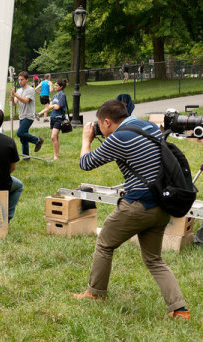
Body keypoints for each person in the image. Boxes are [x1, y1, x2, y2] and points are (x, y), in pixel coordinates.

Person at [73, 100, 190, 321]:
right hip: (162, 204)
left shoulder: (119, 137)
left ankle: (94, 293)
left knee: (105, 243)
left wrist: (86, 139)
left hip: (139, 204)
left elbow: (86, 163)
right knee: (154, 259)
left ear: (107, 121)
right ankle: (179, 309)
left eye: (100, 125)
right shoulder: (147, 126)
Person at [10, 71, 44, 157]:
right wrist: (12, 100)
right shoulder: (18, 90)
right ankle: (26, 157)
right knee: (23, 139)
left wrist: (15, 95)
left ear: (27, 80)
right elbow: (15, 102)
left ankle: (37, 140)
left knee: (20, 133)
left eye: (22, 80)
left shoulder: (31, 90)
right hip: (21, 116)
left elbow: (25, 101)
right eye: (19, 80)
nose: (20, 81)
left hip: (28, 116)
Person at [44, 79, 68, 160]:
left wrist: (52, 106)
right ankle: (57, 154)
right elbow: (50, 107)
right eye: (54, 85)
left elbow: (57, 107)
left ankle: (55, 155)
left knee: (53, 136)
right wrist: (52, 106)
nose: (55, 87)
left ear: (61, 87)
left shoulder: (62, 95)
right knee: (56, 137)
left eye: (57, 85)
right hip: (52, 118)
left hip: (59, 118)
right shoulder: (54, 96)